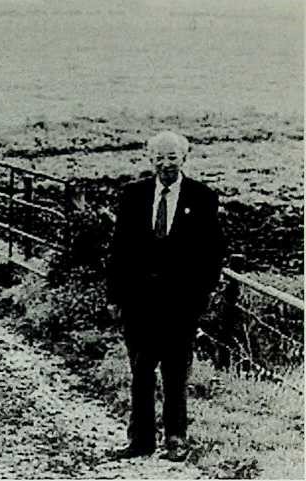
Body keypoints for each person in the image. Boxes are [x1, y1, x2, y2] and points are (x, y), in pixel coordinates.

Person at [107, 131, 225, 461]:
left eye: (172, 157)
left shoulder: (202, 197)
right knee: (141, 371)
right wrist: (115, 296)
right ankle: (141, 440)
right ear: (150, 160)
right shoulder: (133, 195)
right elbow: (119, 249)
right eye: (159, 157)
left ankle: (176, 438)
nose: (166, 163)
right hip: (139, 303)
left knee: (175, 372)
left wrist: (200, 296)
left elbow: (213, 252)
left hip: (180, 304)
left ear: (184, 158)